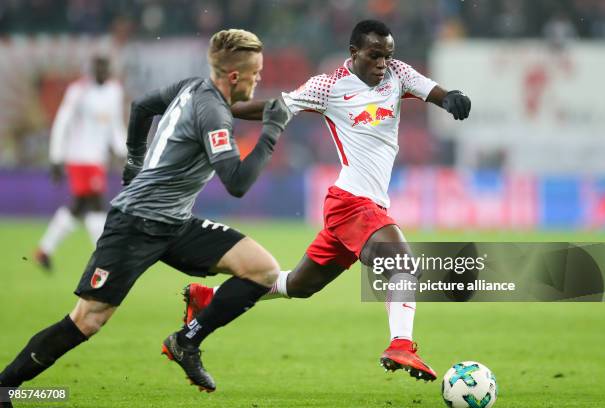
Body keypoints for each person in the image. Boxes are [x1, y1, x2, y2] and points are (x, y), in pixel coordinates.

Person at [0, 28, 291, 406]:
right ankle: (5, 386)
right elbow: (236, 183)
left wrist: (134, 162)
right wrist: (272, 131)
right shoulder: (213, 113)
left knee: (262, 270)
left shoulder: (192, 87)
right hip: (135, 224)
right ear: (235, 76)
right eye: (257, 72)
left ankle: (187, 340)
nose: (259, 78)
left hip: (175, 223)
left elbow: (140, 107)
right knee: (87, 320)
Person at [181, 20, 471, 383]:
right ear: (354, 53)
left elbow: (437, 93)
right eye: (375, 55)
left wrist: (452, 98)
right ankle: (401, 344)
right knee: (403, 266)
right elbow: (275, 107)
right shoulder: (329, 86)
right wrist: (218, 107)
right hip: (352, 202)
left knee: (299, 285)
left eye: (387, 54)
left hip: (364, 206)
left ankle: (209, 298)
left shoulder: (398, 73)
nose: (383, 62)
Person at [34, 55, 127, 271]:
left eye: (105, 68)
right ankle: (104, 257)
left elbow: (114, 124)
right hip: (79, 157)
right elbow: (62, 122)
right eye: (98, 68)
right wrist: (56, 157)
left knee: (79, 207)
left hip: (97, 159)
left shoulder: (114, 90)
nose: (102, 72)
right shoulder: (78, 91)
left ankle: (44, 250)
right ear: (91, 70)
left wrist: (122, 151)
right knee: (95, 204)